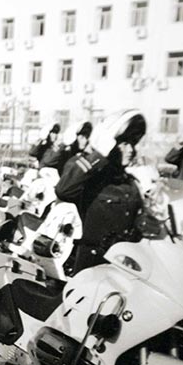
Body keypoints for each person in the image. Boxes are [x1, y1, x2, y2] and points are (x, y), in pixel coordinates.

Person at [55, 110, 146, 272]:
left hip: (123, 264)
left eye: (133, 144)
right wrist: (99, 155)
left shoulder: (129, 181)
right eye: (125, 143)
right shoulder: (91, 174)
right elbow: (64, 190)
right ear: (109, 144)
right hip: (92, 264)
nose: (131, 150)